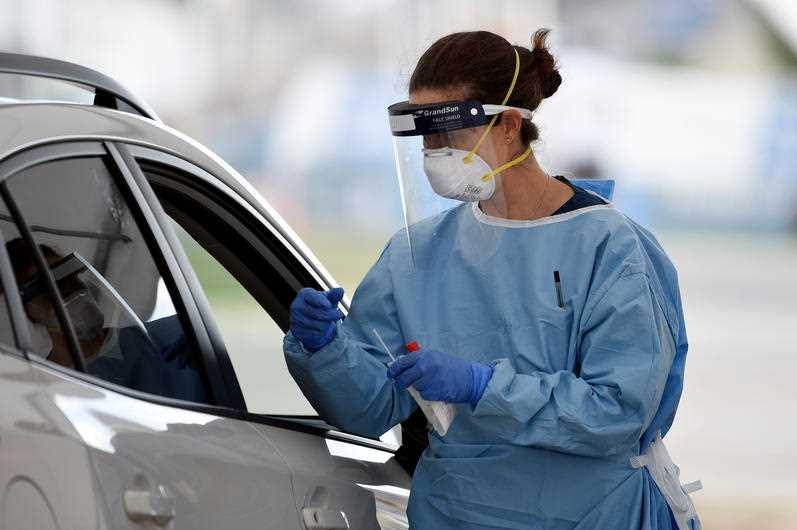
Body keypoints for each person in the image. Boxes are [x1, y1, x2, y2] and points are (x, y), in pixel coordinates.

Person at [283, 29, 700, 530]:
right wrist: (325, 350)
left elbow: (617, 411)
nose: (434, 151)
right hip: (455, 513)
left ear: (506, 125)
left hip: (591, 514)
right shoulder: (417, 255)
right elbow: (371, 409)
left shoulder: (610, 248)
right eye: (424, 134)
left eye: (449, 132)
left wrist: (482, 387)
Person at [6, 237, 207, 402]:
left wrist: (210, 348)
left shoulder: (175, 337)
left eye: (71, 278)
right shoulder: (46, 391)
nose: (72, 291)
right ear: (25, 310)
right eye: (51, 290)